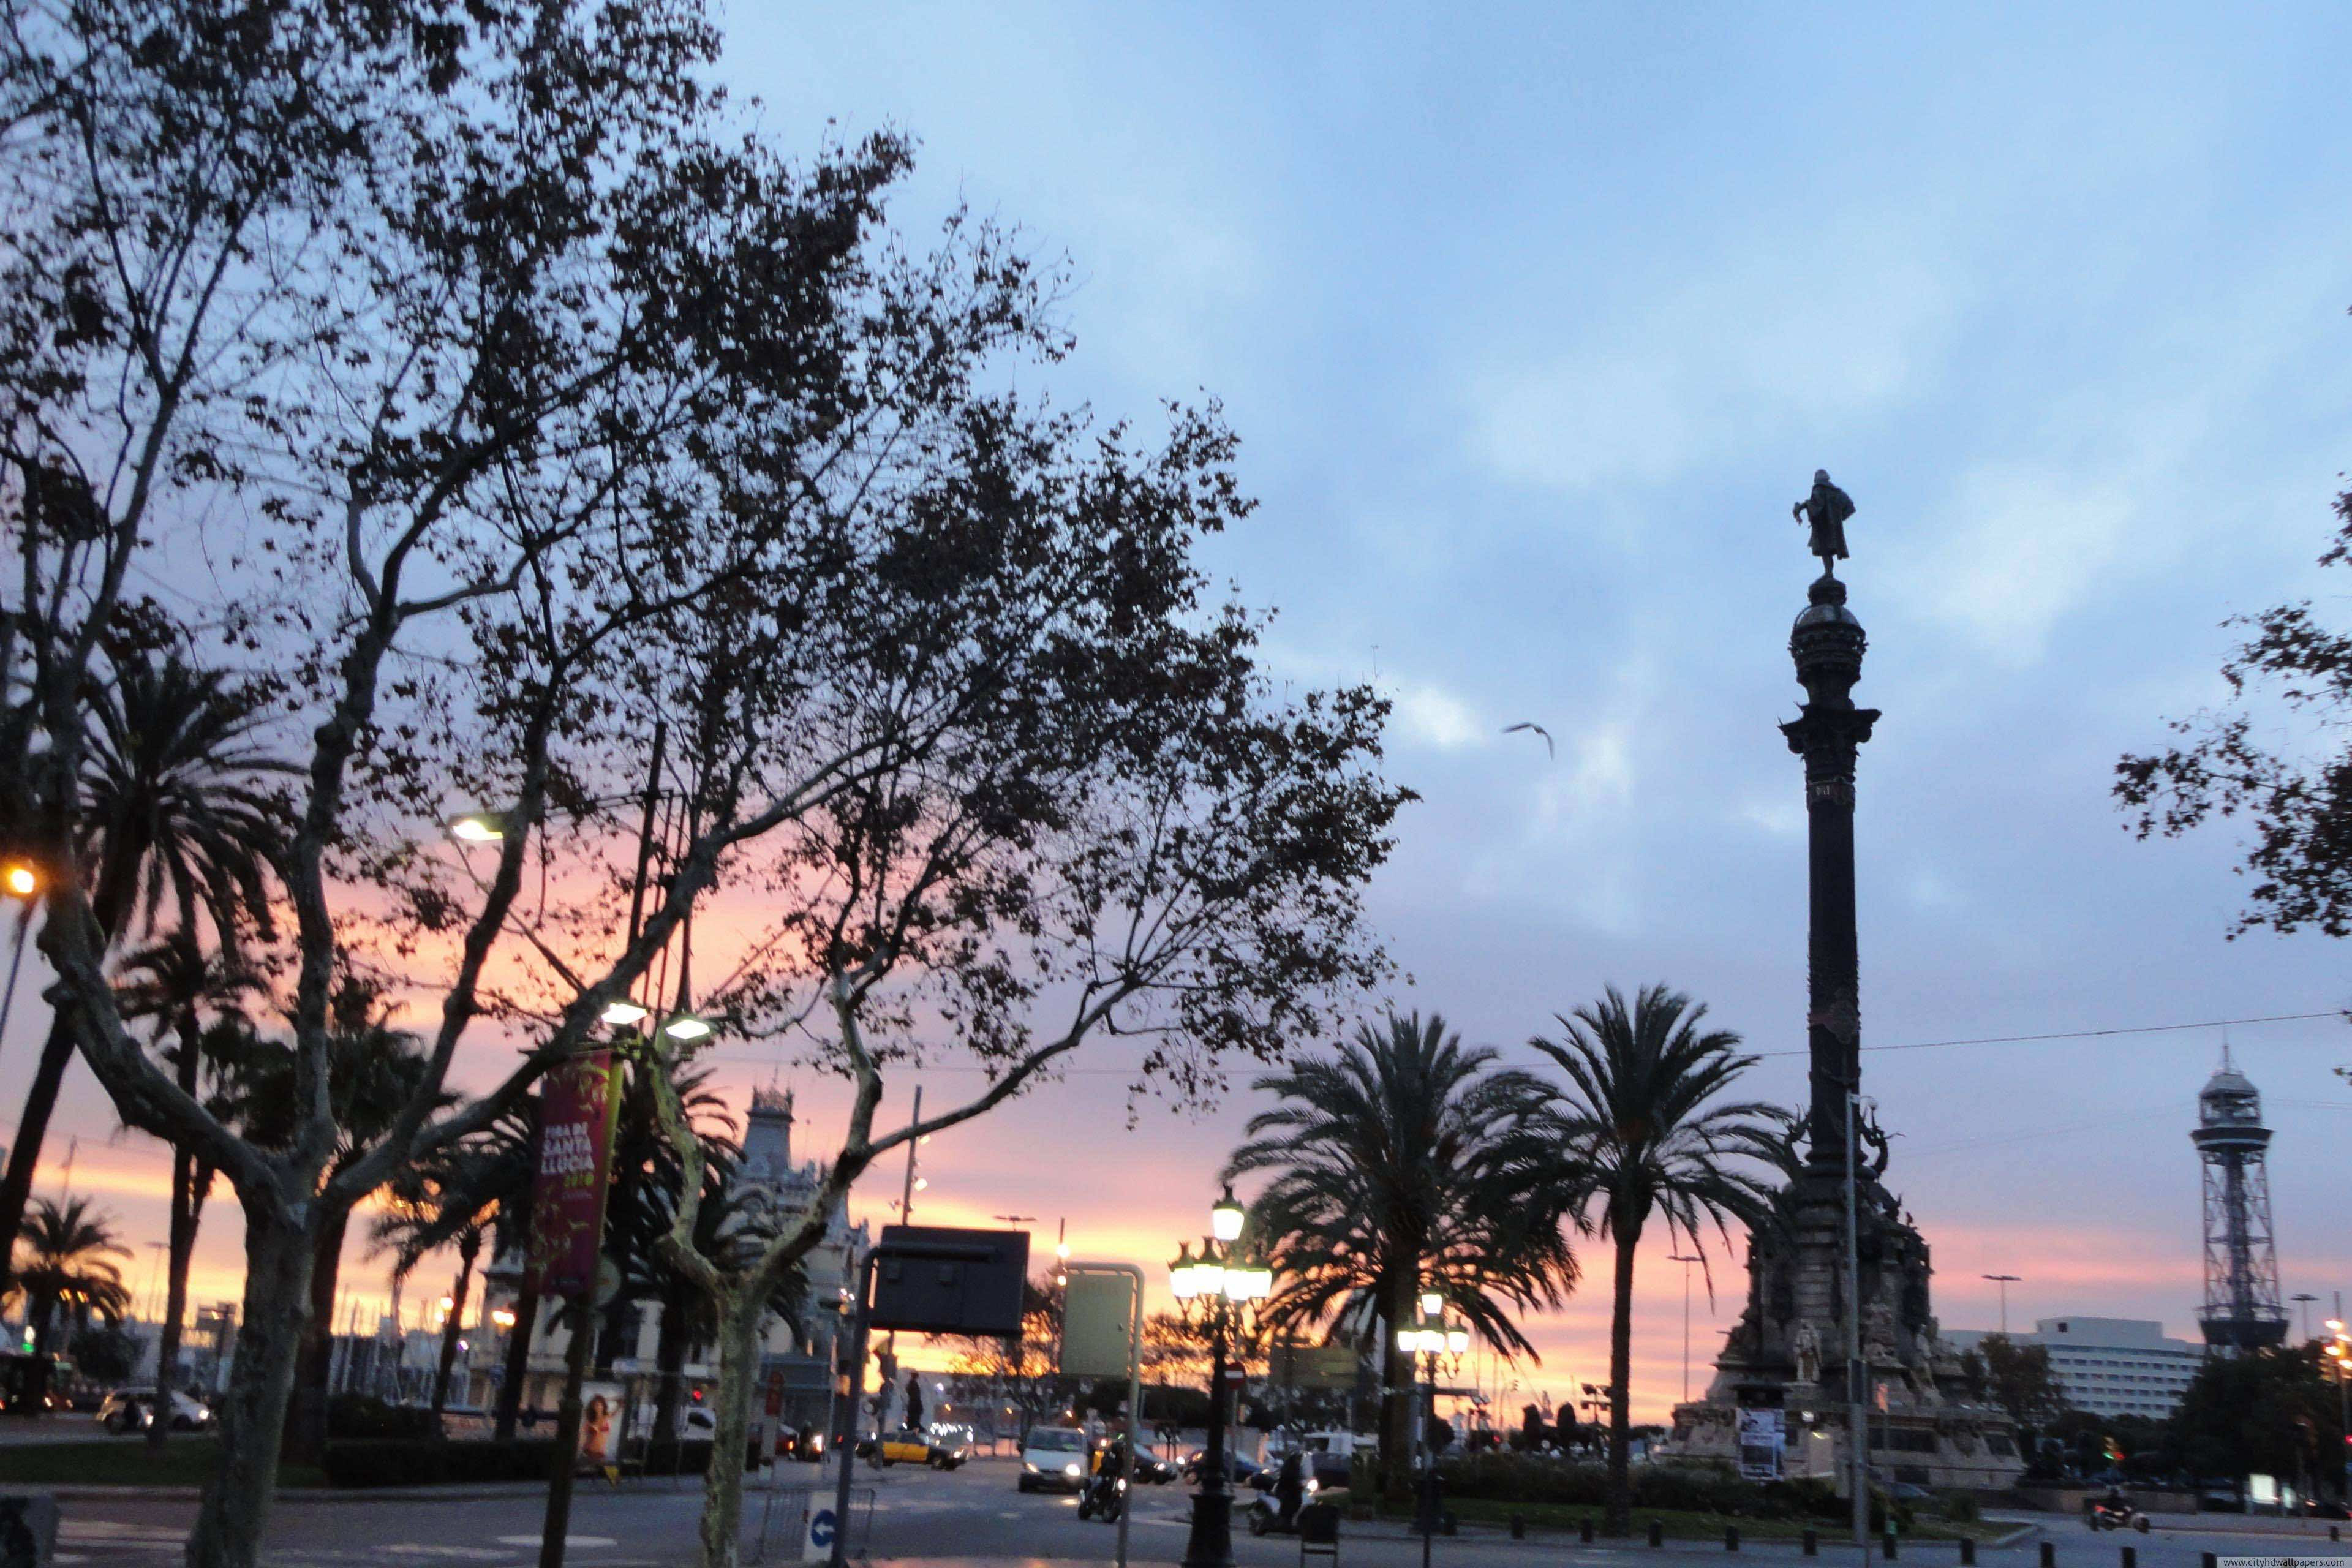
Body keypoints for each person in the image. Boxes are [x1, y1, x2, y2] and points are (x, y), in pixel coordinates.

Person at [1275, 1449, 1306, 1526]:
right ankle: (1282, 1519)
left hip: (1294, 1490)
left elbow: (1301, 1477)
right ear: (1293, 1459)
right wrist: (1297, 1485)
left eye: (1300, 1458)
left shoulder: (1298, 1468)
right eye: (1298, 1458)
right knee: (1288, 1502)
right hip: (1284, 1489)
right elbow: (1288, 1479)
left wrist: (1304, 1483)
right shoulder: (1288, 1467)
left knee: (1299, 1500)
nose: (1299, 1460)